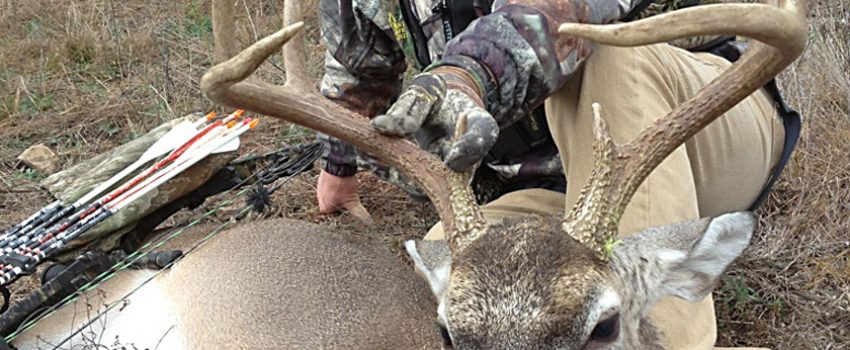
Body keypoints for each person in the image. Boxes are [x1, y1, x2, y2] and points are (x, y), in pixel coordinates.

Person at [316, 0, 789, 349]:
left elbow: (565, 15)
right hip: (557, 183)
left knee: (607, 49)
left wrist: (466, 75)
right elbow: (357, 73)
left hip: (705, 122)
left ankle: (675, 339)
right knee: (457, 272)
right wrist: (339, 165)